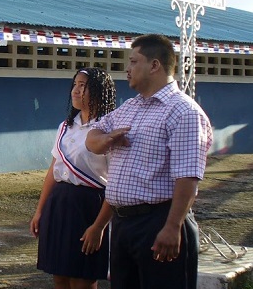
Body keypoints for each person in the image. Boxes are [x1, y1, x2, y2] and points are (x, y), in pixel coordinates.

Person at [85, 34, 213, 289]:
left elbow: (187, 177)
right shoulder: (131, 107)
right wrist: (108, 139)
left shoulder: (183, 112)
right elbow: (91, 137)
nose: (127, 69)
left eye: (134, 62)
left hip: (159, 222)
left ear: (154, 65)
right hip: (123, 224)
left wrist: (172, 226)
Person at [29, 67, 117, 289]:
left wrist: (99, 226)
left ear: (99, 91)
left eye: (83, 85)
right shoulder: (65, 126)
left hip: (89, 208)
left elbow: (116, 183)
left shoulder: (108, 131)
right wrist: (40, 211)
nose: (76, 91)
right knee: (59, 275)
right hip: (59, 205)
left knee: (82, 278)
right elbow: (53, 171)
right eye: (75, 85)